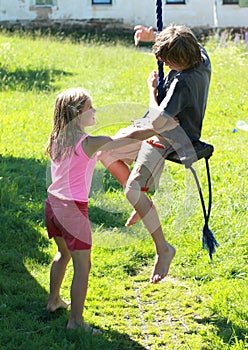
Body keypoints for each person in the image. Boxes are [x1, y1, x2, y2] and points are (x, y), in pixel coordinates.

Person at [100, 24, 211, 284]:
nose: (163, 63)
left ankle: (164, 248)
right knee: (105, 154)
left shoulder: (182, 83)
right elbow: (180, 37)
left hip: (171, 137)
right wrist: (154, 36)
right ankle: (144, 202)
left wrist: (151, 89)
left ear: (176, 62)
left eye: (166, 61)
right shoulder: (201, 56)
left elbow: (155, 122)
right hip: (162, 127)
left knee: (131, 189)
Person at [44, 87, 159, 330]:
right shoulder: (89, 142)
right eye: (90, 107)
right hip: (73, 209)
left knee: (62, 254)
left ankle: (53, 300)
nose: (95, 110)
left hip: (52, 204)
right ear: (77, 113)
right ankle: (75, 322)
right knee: (83, 266)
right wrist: (159, 127)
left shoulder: (57, 138)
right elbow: (128, 139)